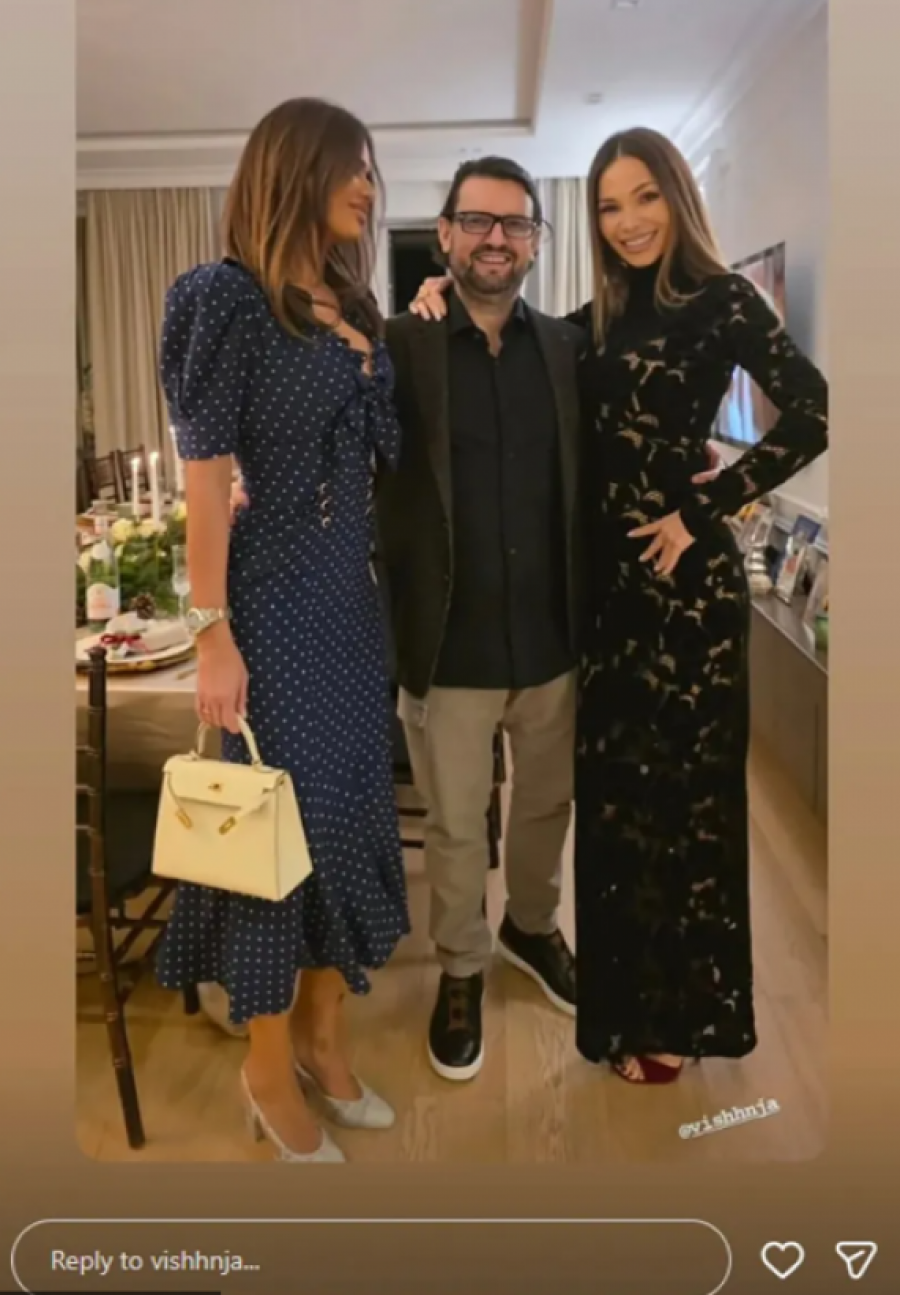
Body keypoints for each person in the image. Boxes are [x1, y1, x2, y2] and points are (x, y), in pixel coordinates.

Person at [411, 128, 828, 1088]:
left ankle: (677, 1019)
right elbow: (504, 340)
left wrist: (706, 506)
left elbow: (814, 409)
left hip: (686, 602)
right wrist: (437, 300)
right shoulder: (589, 322)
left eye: (645, 197)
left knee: (684, 813)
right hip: (601, 604)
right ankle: (620, 1003)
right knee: (615, 815)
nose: (629, 221)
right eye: (608, 205)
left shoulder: (724, 300)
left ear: (678, 197)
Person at [388, 155, 722, 1081]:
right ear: (446, 234)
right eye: (477, 221)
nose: (496, 239)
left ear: (538, 241)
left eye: (516, 224)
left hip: (557, 637)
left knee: (547, 804)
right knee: (456, 824)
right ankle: (461, 967)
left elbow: (643, 410)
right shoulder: (399, 345)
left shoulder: (575, 349)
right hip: (446, 642)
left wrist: (693, 464)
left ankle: (530, 929)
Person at [156, 97, 410, 1161]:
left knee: (347, 824)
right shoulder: (227, 299)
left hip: (350, 609)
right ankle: (267, 1065)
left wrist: (372, 344)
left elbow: (379, 458)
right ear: (295, 170)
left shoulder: (353, 306)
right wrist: (211, 633)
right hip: (269, 611)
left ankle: (322, 1037)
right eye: (350, 166)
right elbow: (204, 481)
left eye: (370, 170)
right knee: (276, 840)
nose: (366, 185)